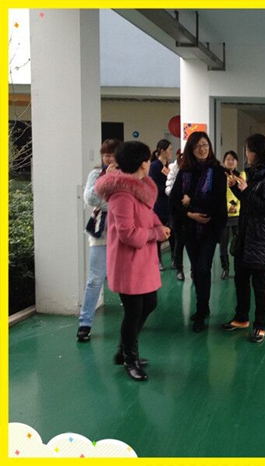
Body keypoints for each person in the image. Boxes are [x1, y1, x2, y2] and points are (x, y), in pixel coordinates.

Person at [95, 141, 171, 381]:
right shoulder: (121, 195)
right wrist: (155, 233)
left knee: (149, 303)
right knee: (134, 310)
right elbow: (127, 233)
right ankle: (129, 358)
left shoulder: (140, 188)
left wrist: (158, 225)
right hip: (127, 262)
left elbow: (148, 213)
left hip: (142, 260)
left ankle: (124, 349)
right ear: (143, 164)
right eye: (148, 159)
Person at [221, 133, 265, 343]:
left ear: (256, 152)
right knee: (240, 279)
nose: (245, 154)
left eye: (247, 150)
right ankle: (241, 318)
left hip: (261, 238)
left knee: (259, 283)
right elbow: (250, 202)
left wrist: (246, 191)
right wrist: (235, 188)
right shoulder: (256, 173)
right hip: (246, 235)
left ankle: (260, 325)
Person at [169, 131, 228, 333]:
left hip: (209, 229)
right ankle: (203, 305)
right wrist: (190, 214)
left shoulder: (217, 171)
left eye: (205, 145)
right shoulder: (184, 171)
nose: (202, 149)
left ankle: (201, 311)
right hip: (188, 228)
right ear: (191, 149)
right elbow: (174, 200)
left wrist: (191, 200)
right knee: (196, 269)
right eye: (197, 146)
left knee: (203, 268)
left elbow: (218, 201)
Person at [76, 139, 121, 343]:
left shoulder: (128, 174)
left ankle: (133, 319)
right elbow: (90, 198)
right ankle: (85, 323)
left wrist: (113, 203)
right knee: (95, 279)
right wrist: (108, 181)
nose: (108, 158)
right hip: (100, 233)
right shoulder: (96, 174)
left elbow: (129, 201)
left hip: (123, 233)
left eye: (112, 154)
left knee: (125, 278)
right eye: (105, 155)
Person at [219, 150, 246, 279]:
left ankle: (238, 268)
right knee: (223, 244)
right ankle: (225, 268)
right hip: (223, 214)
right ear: (224, 161)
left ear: (237, 162)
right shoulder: (220, 176)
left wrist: (235, 205)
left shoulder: (241, 175)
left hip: (237, 214)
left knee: (238, 244)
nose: (230, 161)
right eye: (228, 159)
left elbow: (243, 193)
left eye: (233, 159)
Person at [149, 139, 174, 271]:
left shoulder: (168, 166)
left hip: (169, 205)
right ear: (162, 151)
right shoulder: (154, 166)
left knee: (172, 233)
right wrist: (169, 188)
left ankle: (175, 259)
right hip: (159, 205)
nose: (171, 152)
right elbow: (155, 186)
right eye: (169, 149)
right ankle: (157, 260)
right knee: (159, 234)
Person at [165, 151, 187, 281]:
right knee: (179, 241)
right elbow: (168, 189)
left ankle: (193, 270)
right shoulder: (173, 170)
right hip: (177, 211)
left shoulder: (194, 171)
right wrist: (179, 196)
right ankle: (179, 268)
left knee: (192, 242)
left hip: (191, 210)